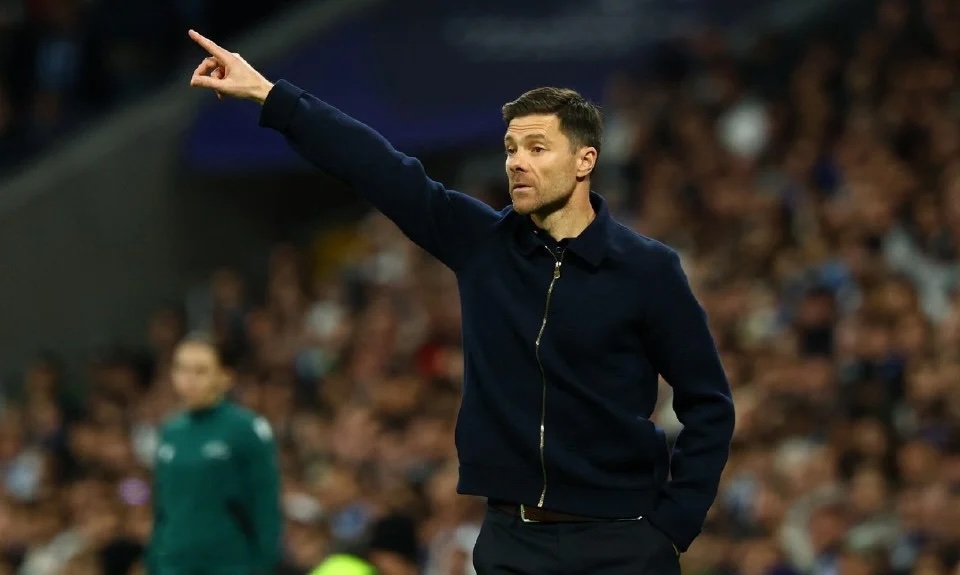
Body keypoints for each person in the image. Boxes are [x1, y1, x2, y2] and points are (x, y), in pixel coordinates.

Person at [186, 28, 735, 574]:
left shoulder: (647, 269)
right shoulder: (483, 244)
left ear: (584, 160)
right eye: (510, 149)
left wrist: (673, 526)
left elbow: (708, 403)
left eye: (537, 149)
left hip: (622, 542)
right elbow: (378, 168)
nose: (516, 162)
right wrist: (270, 96)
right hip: (512, 542)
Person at [147, 332, 282, 575]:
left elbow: (264, 506)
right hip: (174, 564)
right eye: (181, 369)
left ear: (225, 377)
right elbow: (162, 509)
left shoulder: (245, 429)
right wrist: (154, 561)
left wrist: (263, 565)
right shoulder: (170, 432)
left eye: (200, 371)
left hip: (229, 564)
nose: (189, 380)